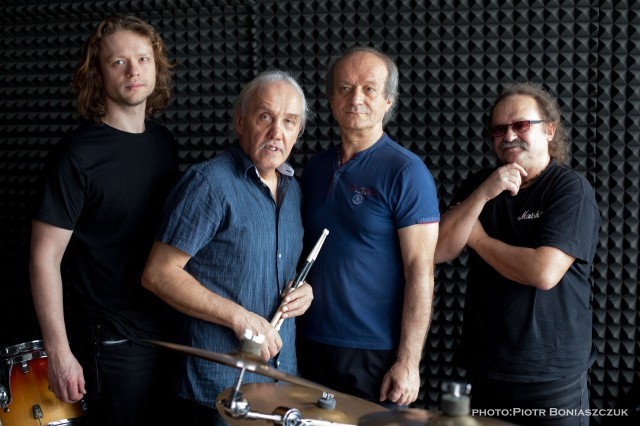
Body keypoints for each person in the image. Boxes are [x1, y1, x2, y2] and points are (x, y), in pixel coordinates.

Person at [29, 14, 180, 426]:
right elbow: (44, 259)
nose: (134, 71)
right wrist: (59, 353)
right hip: (112, 345)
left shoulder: (164, 143)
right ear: (98, 73)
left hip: (166, 335)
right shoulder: (76, 156)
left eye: (143, 59)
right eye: (118, 62)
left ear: (156, 67)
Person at [141, 69, 314, 426]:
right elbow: (158, 274)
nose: (276, 132)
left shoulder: (294, 190)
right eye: (264, 117)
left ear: (298, 131)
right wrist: (239, 317)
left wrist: (305, 293)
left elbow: (273, 270)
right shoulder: (208, 183)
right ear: (240, 122)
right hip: (219, 388)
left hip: (280, 382)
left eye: (289, 121)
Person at [435, 82, 600, 425]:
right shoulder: (479, 185)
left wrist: (478, 239)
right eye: (499, 129)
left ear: (549, 130)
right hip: (486, 368)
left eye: (521, 125)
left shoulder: (570, 190)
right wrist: (483, 194)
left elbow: (543, 272)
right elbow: (437, 250)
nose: (509, 136)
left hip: (551, 378)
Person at [296, 46, 440, 409]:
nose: (355, 98)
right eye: (344, 88)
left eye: (369, 89)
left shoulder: (407, 172)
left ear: (388, 100)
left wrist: (408, 361)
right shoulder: (314, 168)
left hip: (372, 352)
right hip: (307, 342)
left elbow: (420, 271)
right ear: (332, 100)